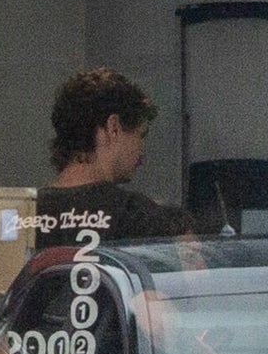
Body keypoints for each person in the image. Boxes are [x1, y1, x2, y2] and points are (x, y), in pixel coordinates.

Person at [38, 67, 187, 247]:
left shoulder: (21, 215)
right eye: (141, 135)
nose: (142, 154)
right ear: (114, 128)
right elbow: (193, 271)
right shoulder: (140, 217)